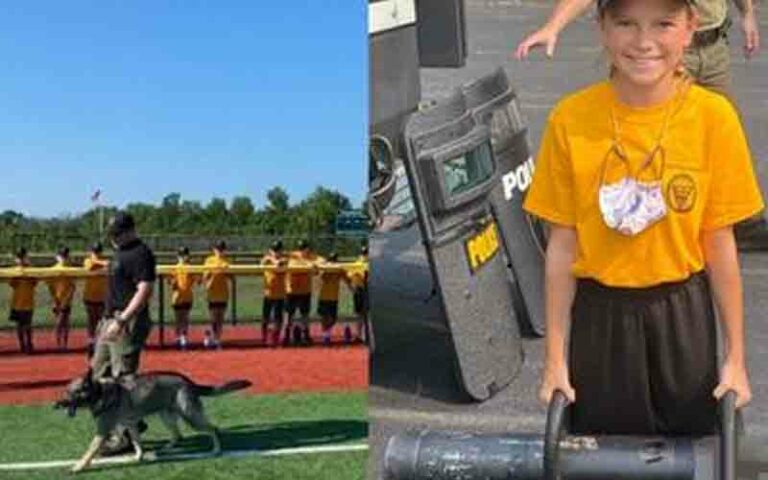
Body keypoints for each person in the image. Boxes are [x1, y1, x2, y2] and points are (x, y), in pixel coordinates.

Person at [523, 0, 761, 435]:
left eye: (664, 24)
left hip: (682, 317)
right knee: (602, 457)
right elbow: (561, 248)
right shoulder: (571, 120)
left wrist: (736, 359)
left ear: (690, 28)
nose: (644, 41)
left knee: (690, 455)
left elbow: (720, 244)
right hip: (601, 322)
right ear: (603, 29)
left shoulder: (713, 119)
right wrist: (555, 360)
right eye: (626, 23)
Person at [515, 0, 766, 250]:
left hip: (711, 47)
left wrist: (748, 14)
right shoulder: (566, 119)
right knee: (649, 138)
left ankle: (733, 220)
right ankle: (641, 232)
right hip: (667, 47)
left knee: (721, 135)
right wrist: (553, 26)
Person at [90, 211, 156, 455]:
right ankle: (132, 423)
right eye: (112, 234)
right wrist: (105, 321)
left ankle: (125, 436)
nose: (113, 238)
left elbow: (144, 289)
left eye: (117, 233)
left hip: (126, 322)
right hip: (110, 321)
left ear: (130, 230)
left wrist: (122, 319)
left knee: (122, 379)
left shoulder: (141, 253)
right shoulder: (120, 252)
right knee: (98, 374)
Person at [285, 239, 319, 345]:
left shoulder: (312, 257)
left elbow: (320, 263)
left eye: (304, 249)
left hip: (305, 290)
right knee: (289, 314)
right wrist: (309, 264)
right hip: (292, 290)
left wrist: (314, 265)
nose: (303, 251)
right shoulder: (292, 256)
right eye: (301, 249)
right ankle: (287, 336)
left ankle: (305, 335)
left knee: (304, 314)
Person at [8, 248, 37, 354]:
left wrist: (27, 269)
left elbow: (34, 282)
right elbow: (12, 284)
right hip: (17, 302)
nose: (21, 259)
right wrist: (19, 271)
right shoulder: (15, 270)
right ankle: (22, 345)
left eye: (22, 257)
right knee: (19, 326)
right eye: (19, 257)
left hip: (28, 302)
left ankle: (29, 343)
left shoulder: (31, 269)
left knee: (28, 325)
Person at [202, 240, 230, 349]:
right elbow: (205, 277)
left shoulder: (226, 261)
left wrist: (226, 271)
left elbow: (231, 276)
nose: (220, 251)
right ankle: (211, 337)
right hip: (212, 293)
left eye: (222, 249)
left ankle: (217, 339)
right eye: (218, 249)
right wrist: (209, 274)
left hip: (223, 293)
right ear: (214, 250)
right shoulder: (209, 261)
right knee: (213, 318)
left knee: (220, 318)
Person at [47, 246, 76, 350]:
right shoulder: (53, 269)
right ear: (57, 257)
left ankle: (64, 343)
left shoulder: (70, 270)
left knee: (65, 322)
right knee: (59, 322)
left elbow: (73, 286)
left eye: (65, 256)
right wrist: (55, 299)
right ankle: (58, 343)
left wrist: (67, 299)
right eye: (62, 255)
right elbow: (50, 286)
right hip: (57, 299)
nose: (64, 258)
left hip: (66, 300)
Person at [260, 240, 288, 347]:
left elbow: (279, 265)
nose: (277, 253)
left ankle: (275, 338)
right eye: (274, 250)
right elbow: (262, 263)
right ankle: (264, 337)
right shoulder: (267, 259)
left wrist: (275, 260)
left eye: (278, 250)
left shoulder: (284, 260)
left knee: (278, 318)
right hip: (268, 293)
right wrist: (271, 257)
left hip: (280, 294)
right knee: (265, 317)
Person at [169, 246, 197, 350]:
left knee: (185, 318)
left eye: (185, 255)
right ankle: (178, 337)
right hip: (177, 297)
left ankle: (184, 337)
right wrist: (173, 283)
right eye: (181, 255)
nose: (183, 257)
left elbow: (195, 280)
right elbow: (171, 282)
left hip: (187, 296)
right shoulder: (175, 268)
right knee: (178, 318)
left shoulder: (190, 268)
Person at [82, 242, 109, 347]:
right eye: (94, 251)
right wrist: (102, 264)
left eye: (98, 251)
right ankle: (91, 341)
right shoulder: (88, 260)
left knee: (102, 321)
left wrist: (102, 264)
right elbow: (89, 266)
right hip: (90, 296)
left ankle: (101, 341)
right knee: (91, 320)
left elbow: (108, 265)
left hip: (102, 297)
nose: (96, 253)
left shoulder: (104, 261)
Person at [317, 253, 344, 346]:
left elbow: (346, 278)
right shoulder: (325, 269)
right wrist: (327, 269)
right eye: (331, 260)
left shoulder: (340, 269)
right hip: (324, 297)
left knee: (333, 319)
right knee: (324, 317)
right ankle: (326, 336)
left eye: (334, 260)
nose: (333, 262)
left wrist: (353, 288)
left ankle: (326, 333)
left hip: (334, 297)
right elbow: (321, 277)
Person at [345, 245, 369, 344]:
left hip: (359, 290)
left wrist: (351, 287)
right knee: (364, 314)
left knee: (360, 314)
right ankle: (363, 335)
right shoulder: (360, 263)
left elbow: (350, 277)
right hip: (362, 290)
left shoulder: (357, 263)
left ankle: (360, 335)